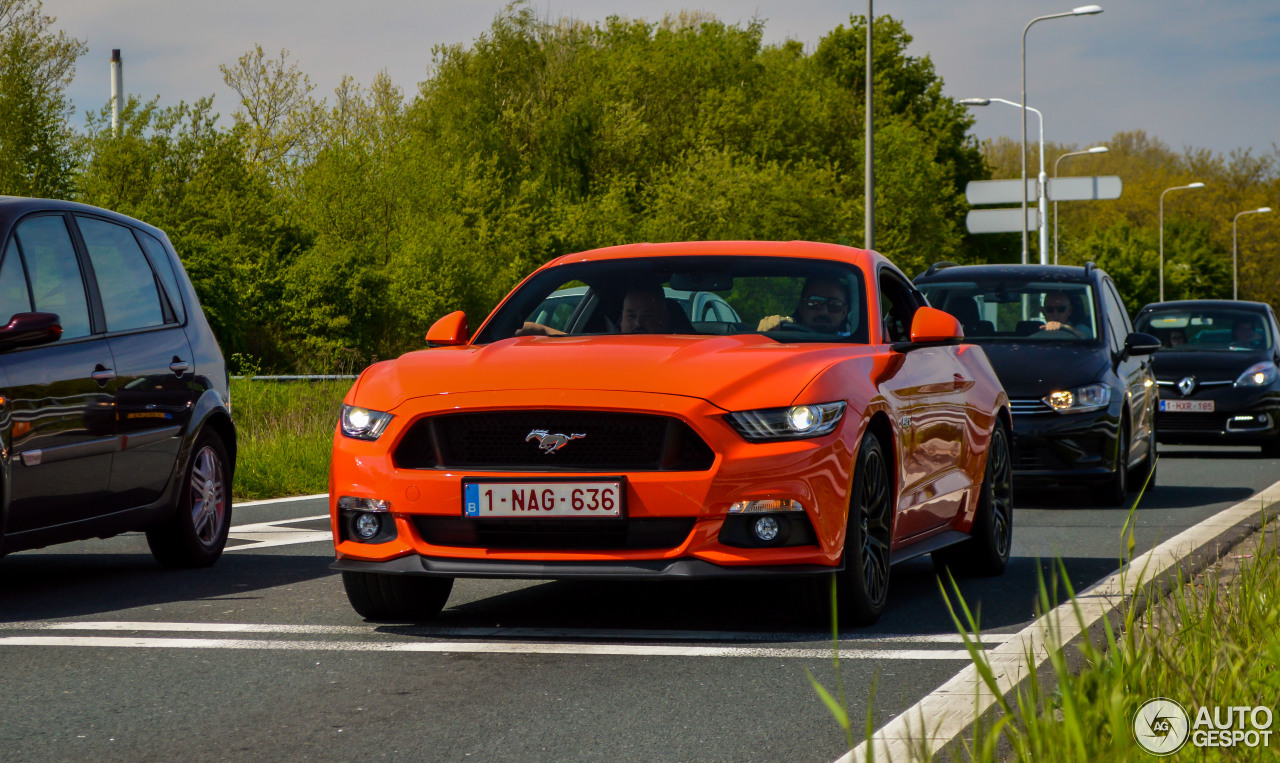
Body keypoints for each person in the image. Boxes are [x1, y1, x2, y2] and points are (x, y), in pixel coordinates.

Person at [757, 277, 850, 333]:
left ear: (844, 312)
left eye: (834, 305)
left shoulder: (856, 347)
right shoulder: (785, 340)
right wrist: (771, 325)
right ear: (802, 308)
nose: (824, 312)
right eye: (814, 303)